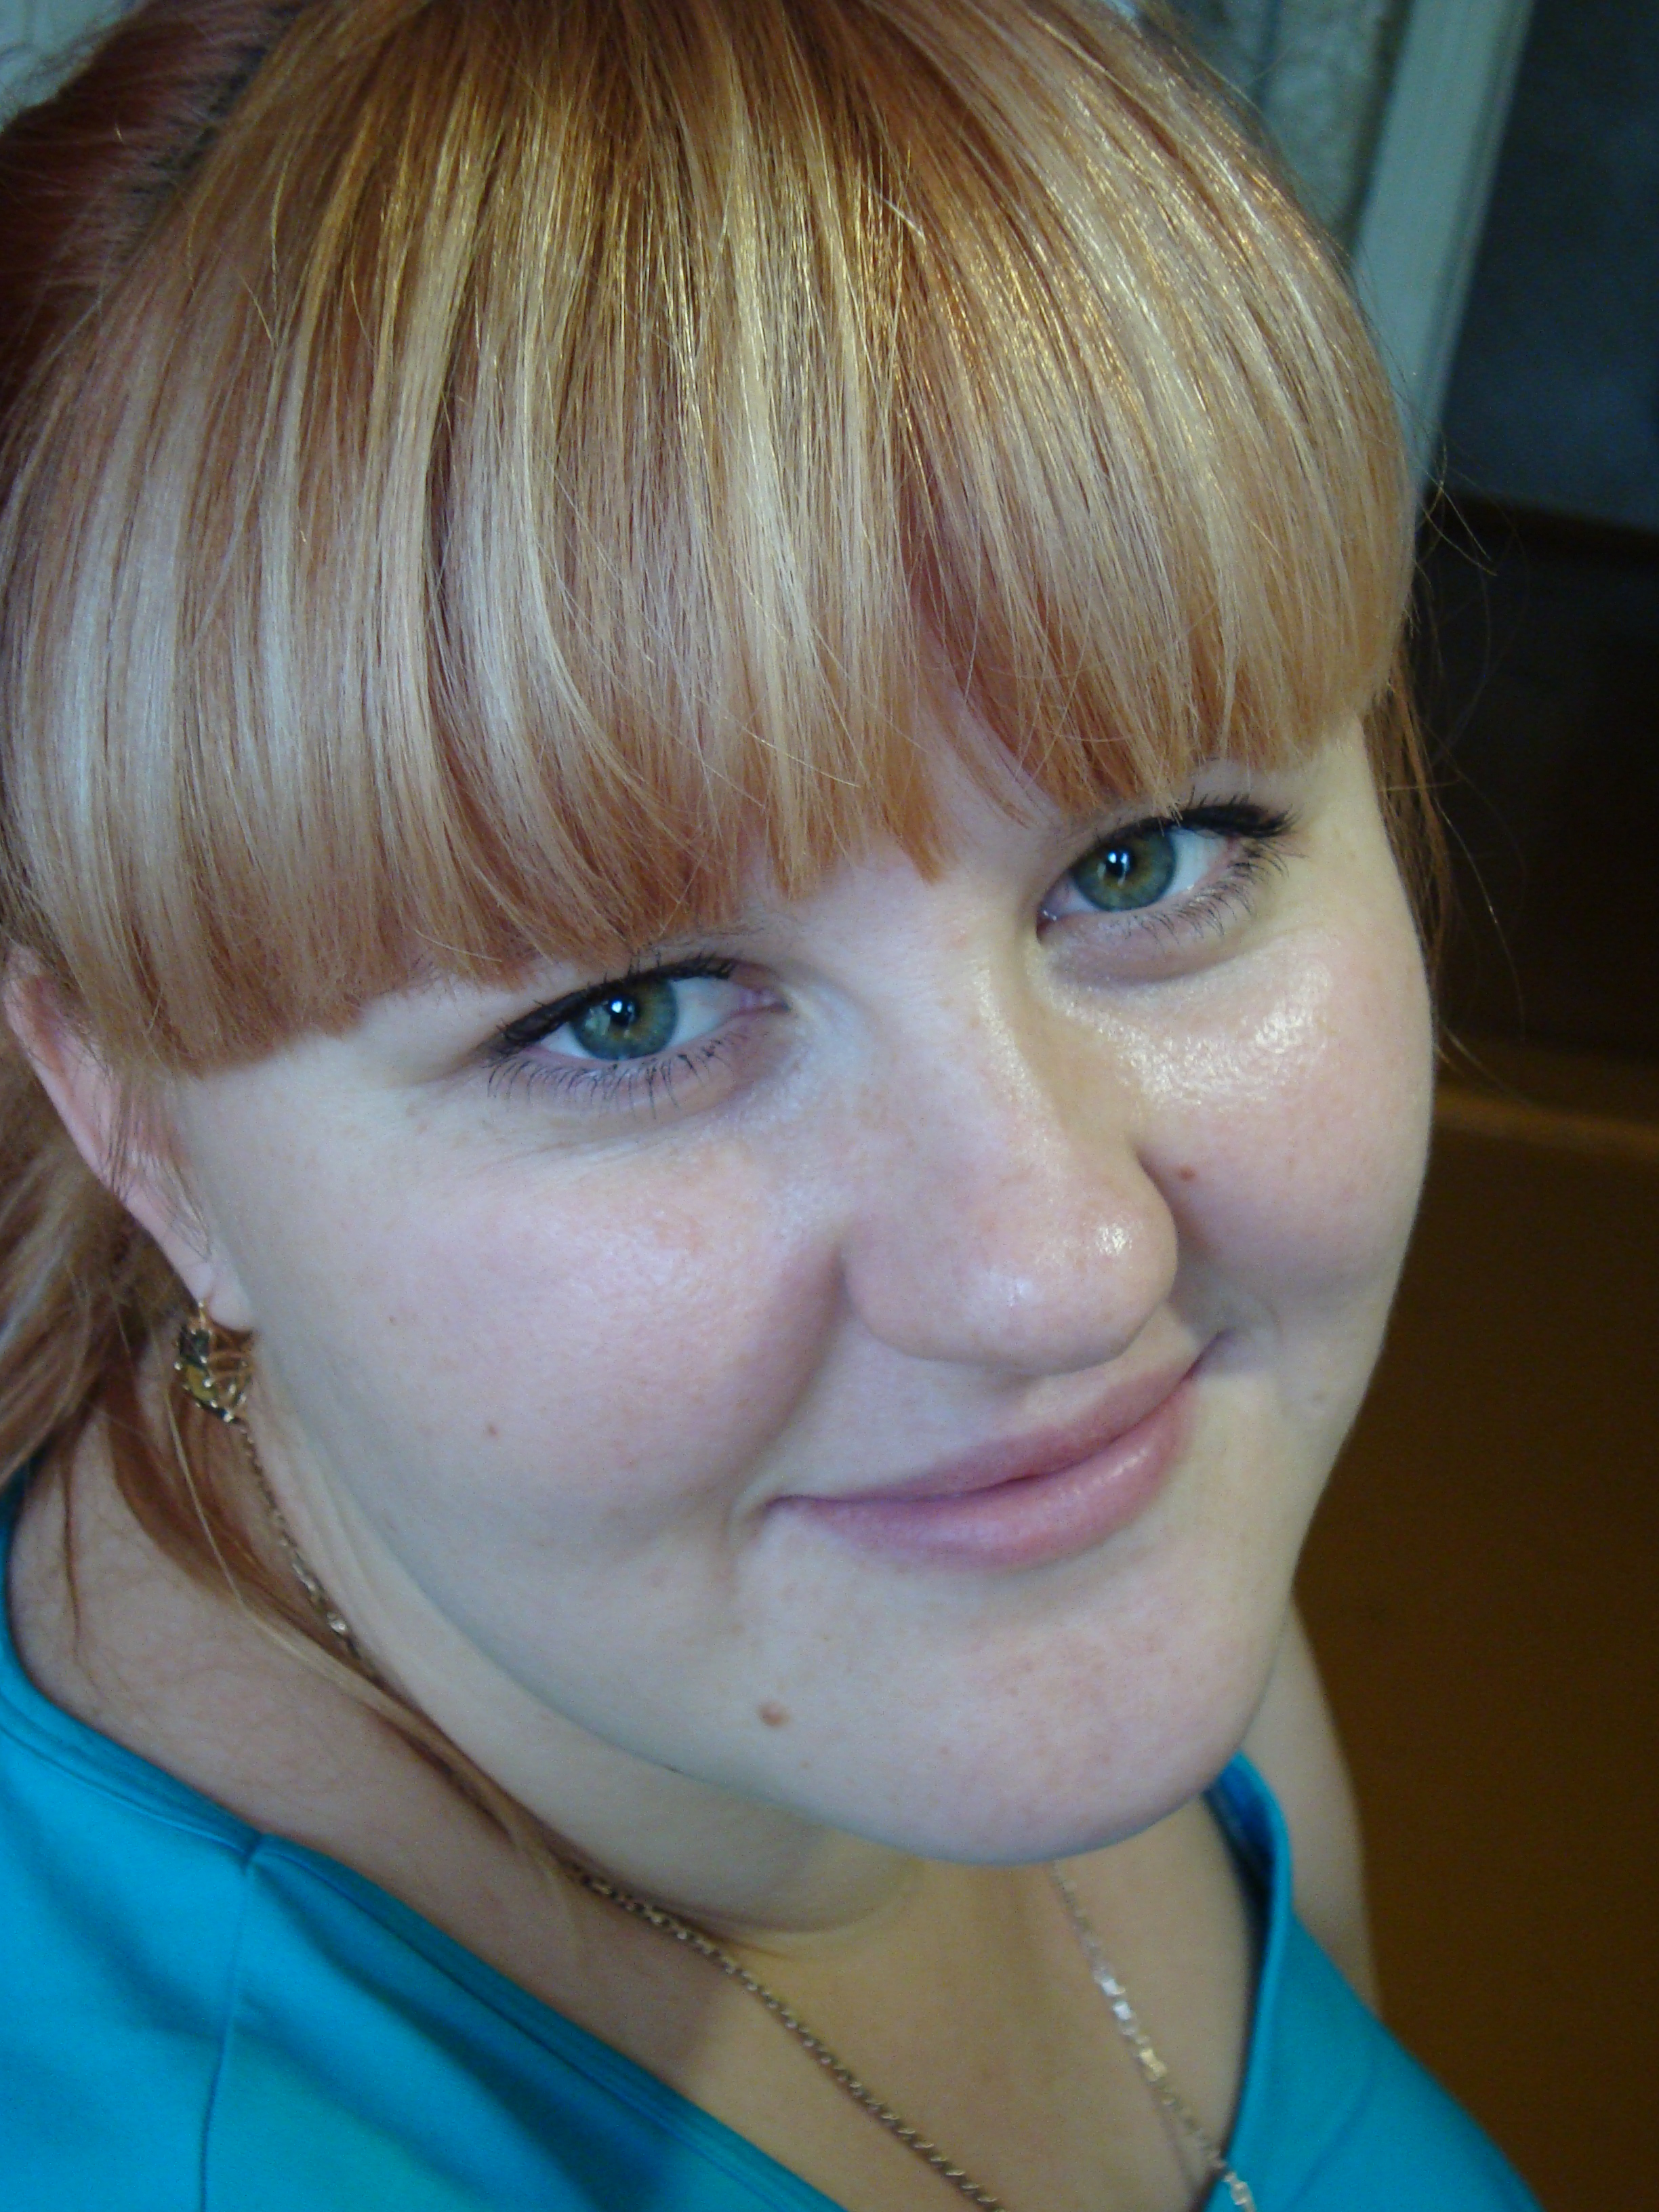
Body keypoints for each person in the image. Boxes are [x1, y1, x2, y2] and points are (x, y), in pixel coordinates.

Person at [0, 1, 1540, 2205]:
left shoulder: (1070, 1522)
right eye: (629, 1017)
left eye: (1145, 861)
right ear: (143, 1135)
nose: (1063, 1272)